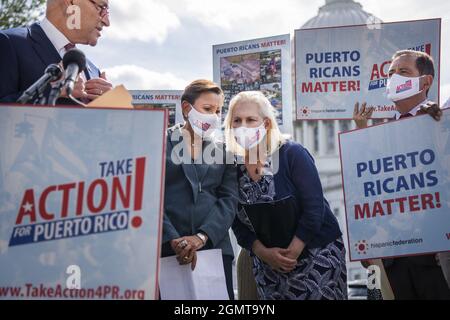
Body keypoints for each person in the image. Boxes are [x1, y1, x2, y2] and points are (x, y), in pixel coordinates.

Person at [226, 91, 347, 300]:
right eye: (237, 120)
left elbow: (314, 208)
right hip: (268, 265)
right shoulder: (231, 167)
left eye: (250, 119)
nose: (243, 125)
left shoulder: (292, 153)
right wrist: (264, 253)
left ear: (266, 124)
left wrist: (292, 253)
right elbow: (236, 222)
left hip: (316, 257)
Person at [353, 50, 450, 300]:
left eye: (403, 72)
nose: (394, 78)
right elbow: (365, 189)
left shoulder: (440, 122)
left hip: (434, 256)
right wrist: (364, 242)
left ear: (425, 82)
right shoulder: (377, 133)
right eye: (391, 73)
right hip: (390, 256)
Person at [161, 79, 238, 300]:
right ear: (187, 108)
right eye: (207, 109)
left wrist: (202, 237)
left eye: (218, 110)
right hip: (167, 251)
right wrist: (173, 239)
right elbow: (149, 197)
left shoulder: (224, 151)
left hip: (213, 248)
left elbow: (229, 200)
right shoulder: (158, 142)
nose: (214, 116)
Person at [0, 0, 112, 104]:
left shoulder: (94, 71)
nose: (107, 21)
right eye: (101, 8)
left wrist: (112, 107)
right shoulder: (8, 43)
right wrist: (50, 91)